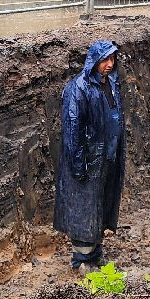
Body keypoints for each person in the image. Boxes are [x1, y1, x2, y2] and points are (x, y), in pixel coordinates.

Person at [53, 39, 125, 273]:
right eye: (105, 60)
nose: (109, 64)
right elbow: (72, 130)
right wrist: (78, 165)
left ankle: (95, 253)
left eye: (112, 59)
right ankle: (82, 259)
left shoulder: (110, 83)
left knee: (99, 205)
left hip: (106, 157)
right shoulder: (79, 88)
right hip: (88, 160)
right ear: (94, 61)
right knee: (84, 208)